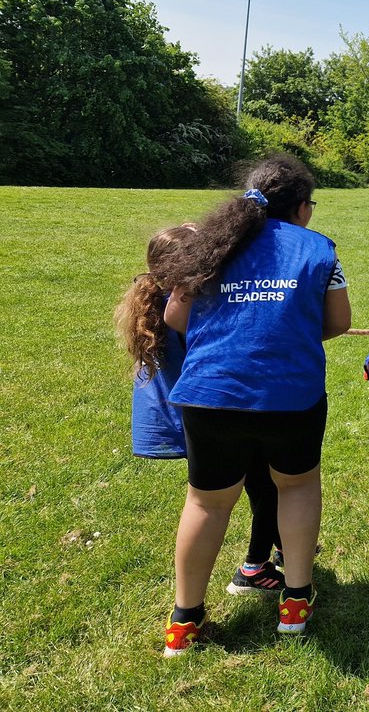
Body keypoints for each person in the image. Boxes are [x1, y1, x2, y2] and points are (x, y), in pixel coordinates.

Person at [157, 155, 351, 656]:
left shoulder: (209, 245)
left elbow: (175, 316)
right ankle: (295, 603)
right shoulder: (322, 248)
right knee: (298, 484)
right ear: (302, 208)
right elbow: (339, 322)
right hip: (292, 393)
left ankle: (184, 622)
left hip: (208, 393)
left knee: (206, 500)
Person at [115, 226, 285, 603]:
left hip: (198, 417)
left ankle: (280, 546)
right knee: (265, 486)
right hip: (217, 415)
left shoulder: (156, 297)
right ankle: (254, 569)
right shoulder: (188, 308)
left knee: (256, 485)